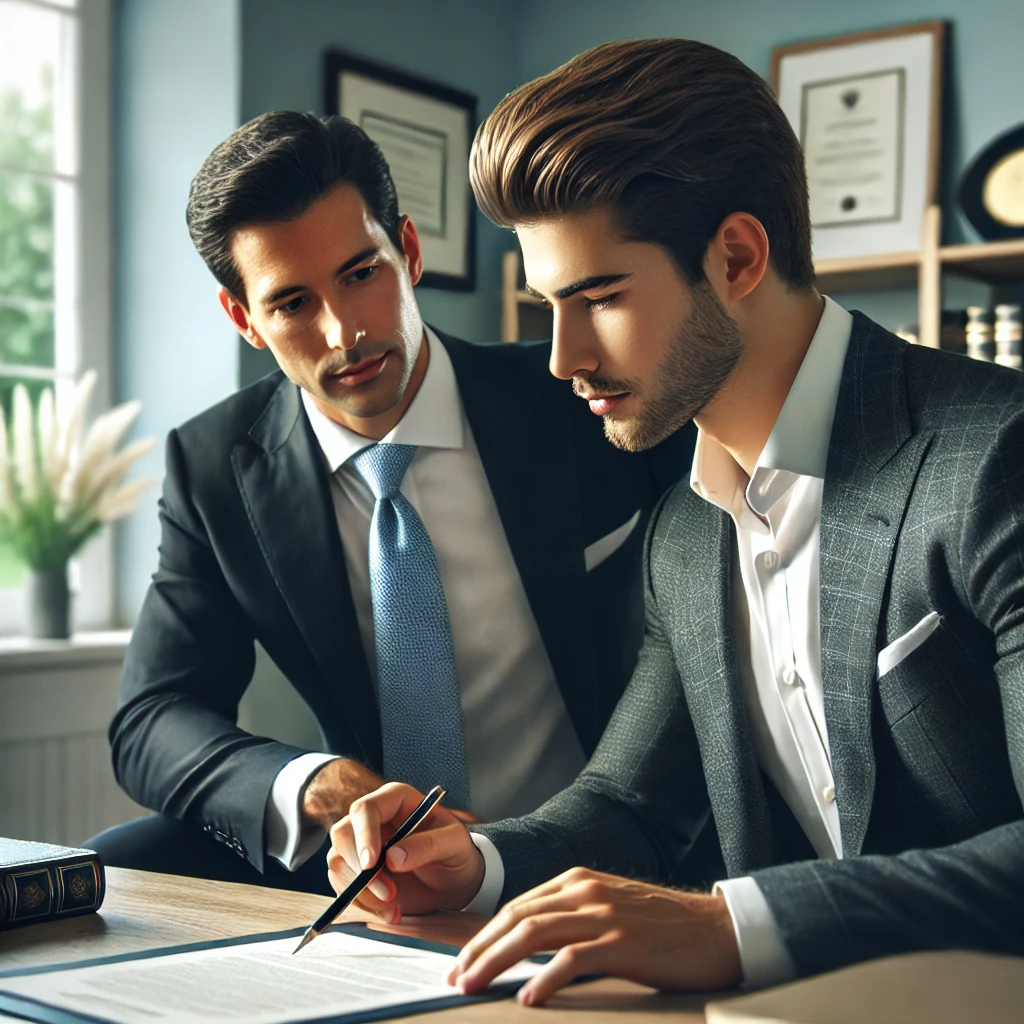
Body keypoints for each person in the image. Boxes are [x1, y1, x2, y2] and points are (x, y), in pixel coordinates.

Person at [328, 38, 1024, 1004]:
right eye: (548, 304)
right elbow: (631, 806)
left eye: (601, 297)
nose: (563, 358)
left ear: (736, 257)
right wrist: (473, 864)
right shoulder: (686, 535)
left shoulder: (997, 459)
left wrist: (732, 924)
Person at [90, 111, 694, 894]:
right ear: (244, 320)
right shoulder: (215, 466)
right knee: (118, 862)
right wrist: (323, 785)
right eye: (292, 304)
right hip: (388, 870)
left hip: (604, 852)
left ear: (407, 251)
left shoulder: (581, 397)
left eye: (360, 274)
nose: (344, 332)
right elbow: (152, 717)